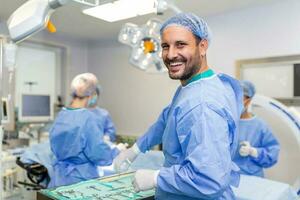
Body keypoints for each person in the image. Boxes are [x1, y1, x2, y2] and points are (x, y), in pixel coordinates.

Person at [113, 13, 244, 199]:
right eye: (166, 46)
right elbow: (168, 119)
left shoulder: (203, 104)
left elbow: (209, 179)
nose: (171, 54)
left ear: (203, 46)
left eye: (180, 44)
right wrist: (136, 149)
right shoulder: (196, 86)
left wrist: (156, 177)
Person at [48, 73, 120, 188]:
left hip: (59, 179)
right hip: (80, 181)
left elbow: (54, 146)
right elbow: (99, 154)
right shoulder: (87, 118)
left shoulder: (62, 115)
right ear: (91, 94)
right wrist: (115, 152)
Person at [233, 80, 280, 177]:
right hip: (228, 179)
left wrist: (253, 151)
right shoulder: (226, 123)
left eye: (239, 99)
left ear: (248, 101)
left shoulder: (260, 126)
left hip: (253, 180)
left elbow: (273, 154)